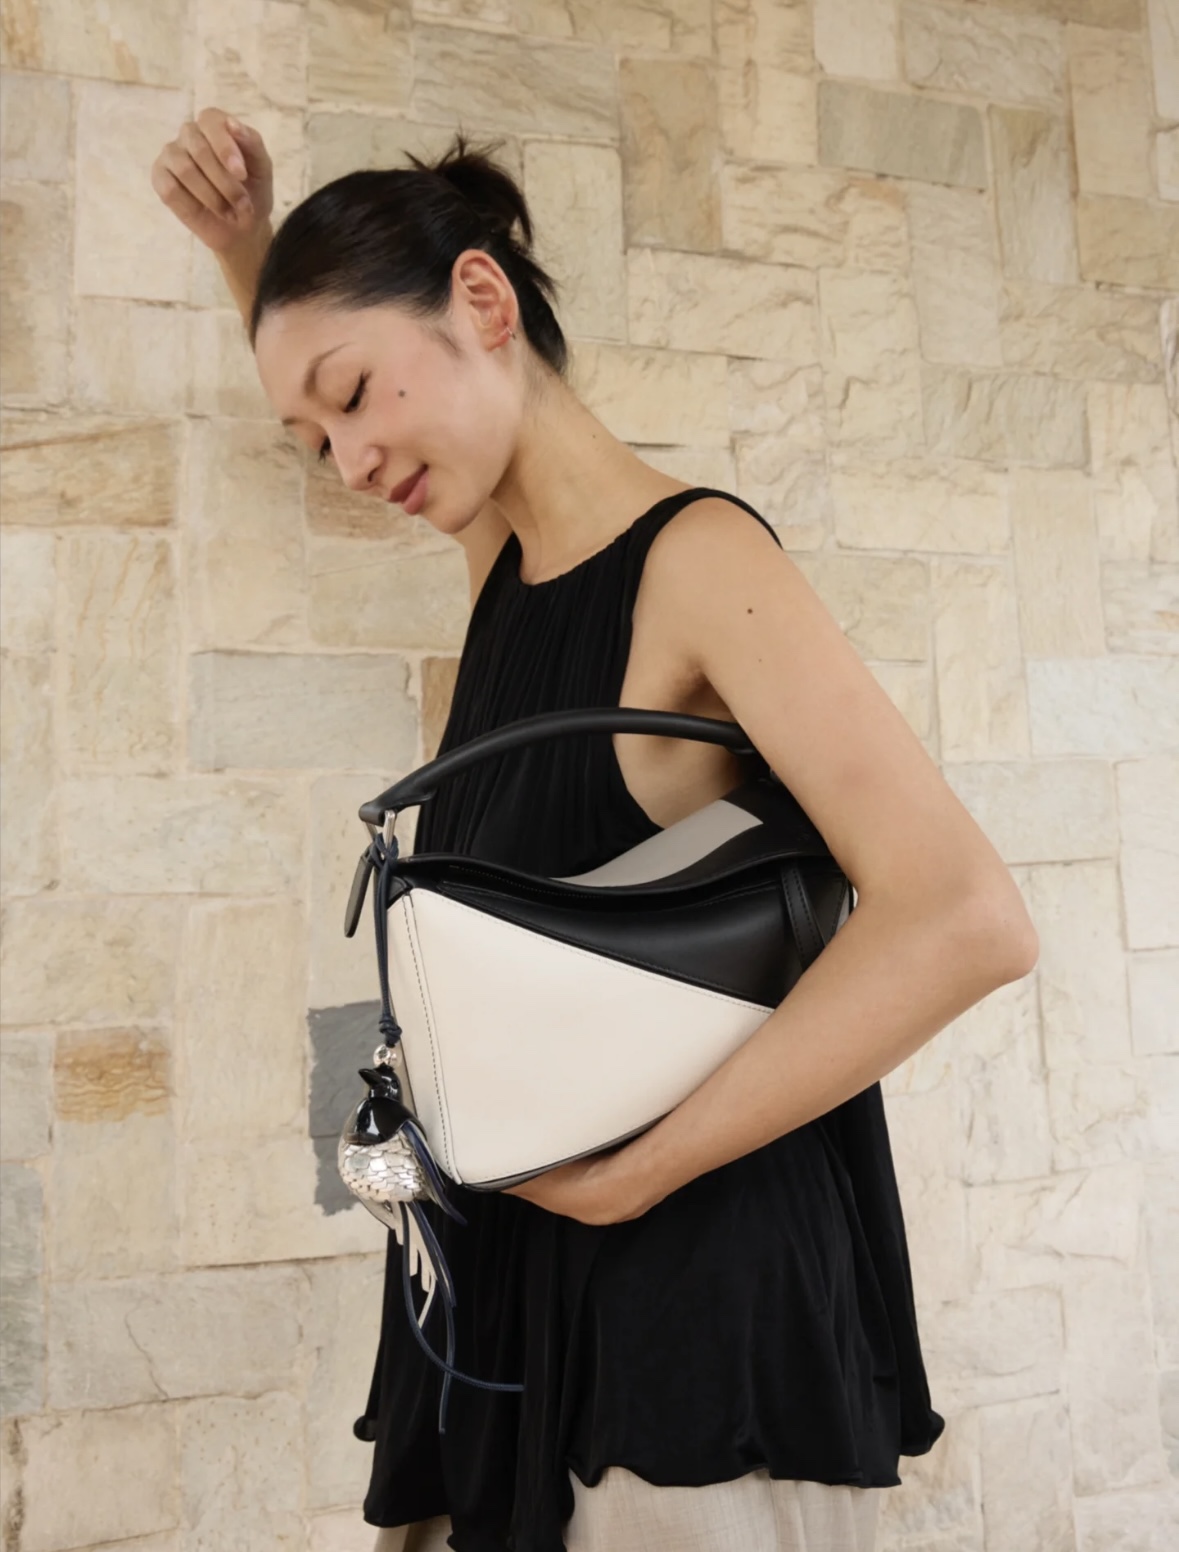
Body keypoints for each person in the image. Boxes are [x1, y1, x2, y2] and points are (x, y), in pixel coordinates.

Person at [151, 109, 1039, 1552]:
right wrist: (249, 252)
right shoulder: (508, 567)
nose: (350, 460)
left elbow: (964, 916)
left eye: (355, 394)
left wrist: (633, 1177)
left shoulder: (699, 562)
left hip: (685, 1324)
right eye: (316, 436)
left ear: (484, 302)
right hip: (518, 1292)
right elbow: (363, 387)